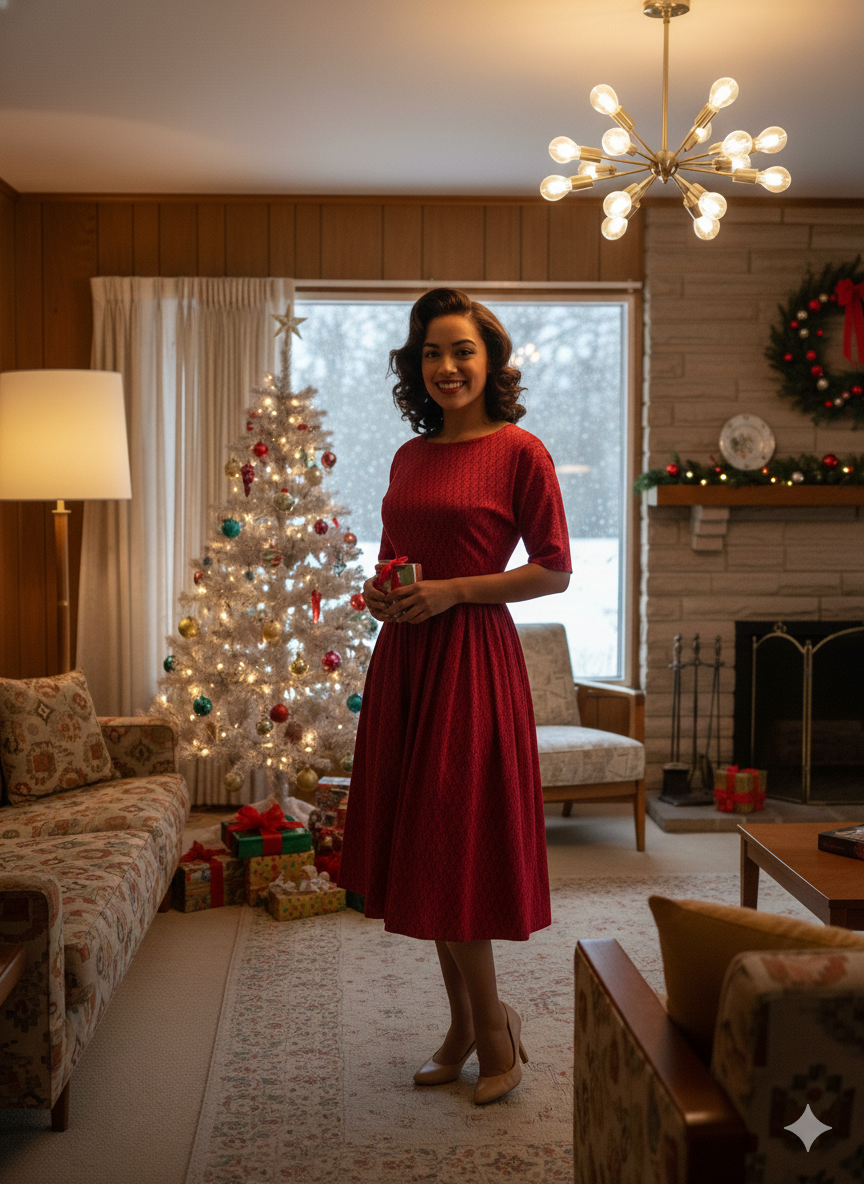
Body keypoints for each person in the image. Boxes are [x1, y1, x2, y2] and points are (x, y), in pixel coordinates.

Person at [338, 287, 571, 1105]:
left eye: (462, 350)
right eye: (432, 352)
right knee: (422, 850)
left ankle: (494, 1028)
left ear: (491, 359)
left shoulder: (521, 452)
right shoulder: (410, 456)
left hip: (472, 661)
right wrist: (383, 592)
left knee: (456, 843)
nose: (447, 366)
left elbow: (553, 568)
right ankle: (467, 1024)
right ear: (416, 364)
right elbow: (396, 553)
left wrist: (454, 592)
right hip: (404, 660)